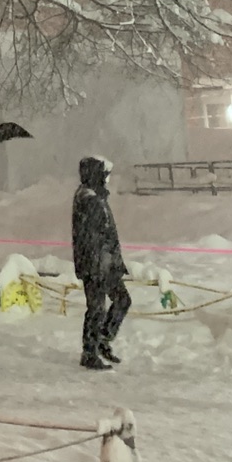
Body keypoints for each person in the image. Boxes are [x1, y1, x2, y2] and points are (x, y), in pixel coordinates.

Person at [72, 156, 129, 370]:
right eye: (104, 175)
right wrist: (97, 266)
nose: (107, 179)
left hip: (106, 264)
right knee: (96, 308)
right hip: (95, 266)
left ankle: (102, 341)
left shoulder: (96, 197)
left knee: (122, 300)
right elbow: (93, 237)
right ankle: (90, 351)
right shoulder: (88, 199)